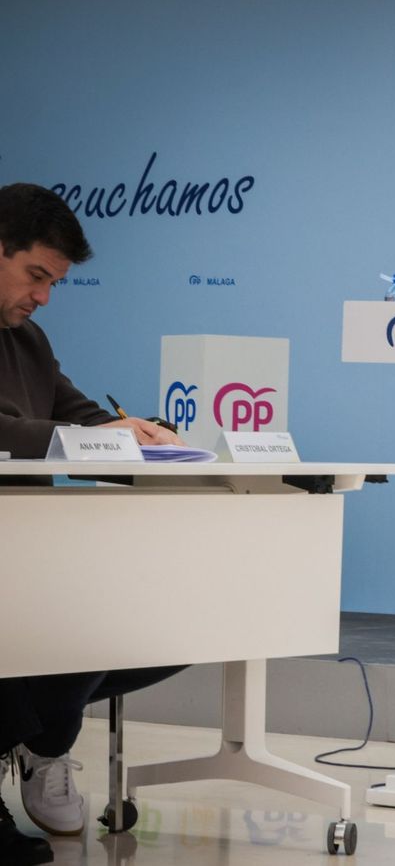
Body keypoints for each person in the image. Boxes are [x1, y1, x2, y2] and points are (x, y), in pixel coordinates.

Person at [0, 182, 185, 861]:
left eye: (53, 283)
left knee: (160, 615)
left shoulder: (29, 337)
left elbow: (73, 414)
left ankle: (40, 739)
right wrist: (86, 437)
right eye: (35, 276)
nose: (43, 296)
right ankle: (33, 735)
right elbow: (19, 429)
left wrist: (127, 428)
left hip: (32, 550)